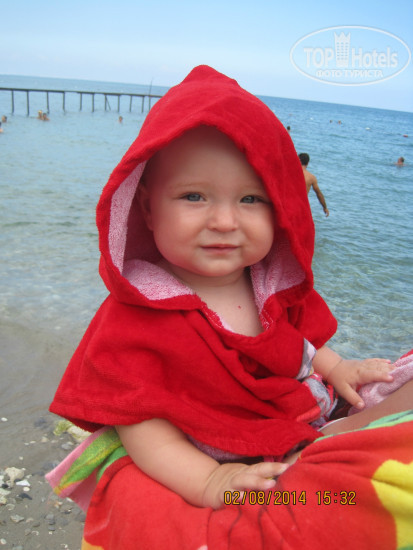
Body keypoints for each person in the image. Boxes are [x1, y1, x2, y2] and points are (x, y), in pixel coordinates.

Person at [50, 66, 412, 513]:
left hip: (300, 413)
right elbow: (140, 421)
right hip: (220, 448)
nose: (224, 221)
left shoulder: (271, 283)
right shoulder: (138, 314)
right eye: (194, 196)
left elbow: (300, 343)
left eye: (250, 199)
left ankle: (338, 444)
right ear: (145, 208)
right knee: (329, 498)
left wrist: (340, 368)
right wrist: (211, 480)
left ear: (281, 208)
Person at [298, 153, 329, 217]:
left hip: (287, 204)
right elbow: (318, 193)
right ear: (307, 163)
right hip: (301, 206)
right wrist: (325, 207)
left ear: (298, 160)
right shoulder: (311, 177)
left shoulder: (289, 172)